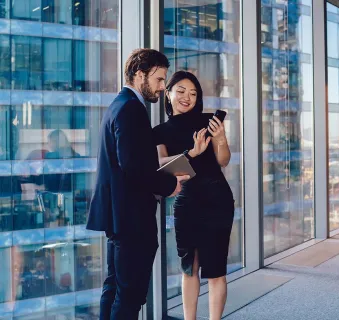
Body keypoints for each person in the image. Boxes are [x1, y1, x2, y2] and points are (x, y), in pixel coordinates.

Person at [86, 49, 188, 320]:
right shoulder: (131, 109)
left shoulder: (117, 105)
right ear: (140, 75)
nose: (162, 86)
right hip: (131, 219)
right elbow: (132, 166)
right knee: (130, 296)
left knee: (115, 288)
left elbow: (128, 163)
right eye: (158, 79)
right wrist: (169, 185)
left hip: (119, 216)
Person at [153, 71, 234, 320]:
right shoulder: (159, 131)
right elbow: (160, 164)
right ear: (168, 93)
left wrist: (220, 138)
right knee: (189, 267)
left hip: (218, 198)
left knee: (216, 269)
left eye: (193, 93)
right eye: (181, 91)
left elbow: (224, 160)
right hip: (186, 200)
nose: (187, 97)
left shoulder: (209, 121)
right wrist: (193, 152)